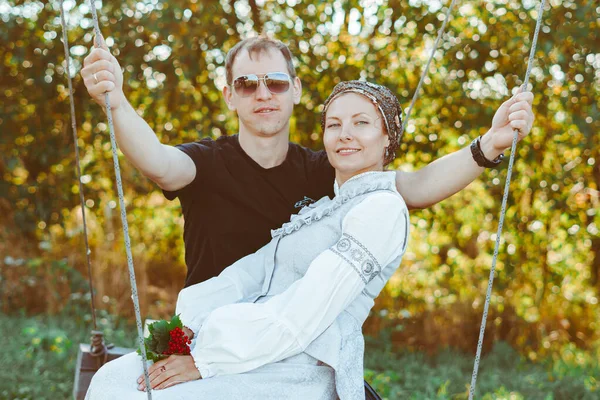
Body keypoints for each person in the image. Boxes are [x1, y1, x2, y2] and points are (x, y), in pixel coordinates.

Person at [81, 36, 535, 292]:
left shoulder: (325, 169)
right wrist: (117, 103)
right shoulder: (206, 162)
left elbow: (413, 188)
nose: (263, 94)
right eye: (247, 83)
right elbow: (158, 162)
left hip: (291, 339)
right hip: (212, 333)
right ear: (229, 96)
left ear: (296, 90)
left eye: (275, 83)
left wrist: (489, 144)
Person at [85, 80, 423, 399]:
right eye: (334, 125)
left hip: (298, 362)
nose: (344, 134)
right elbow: (251, 273)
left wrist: (208, 361)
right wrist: (191, 324)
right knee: (113, 379)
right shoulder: (323, 208)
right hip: (254, 348)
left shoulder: (381, 209)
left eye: (361, 123)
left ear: (388, 137)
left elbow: (305, 310)